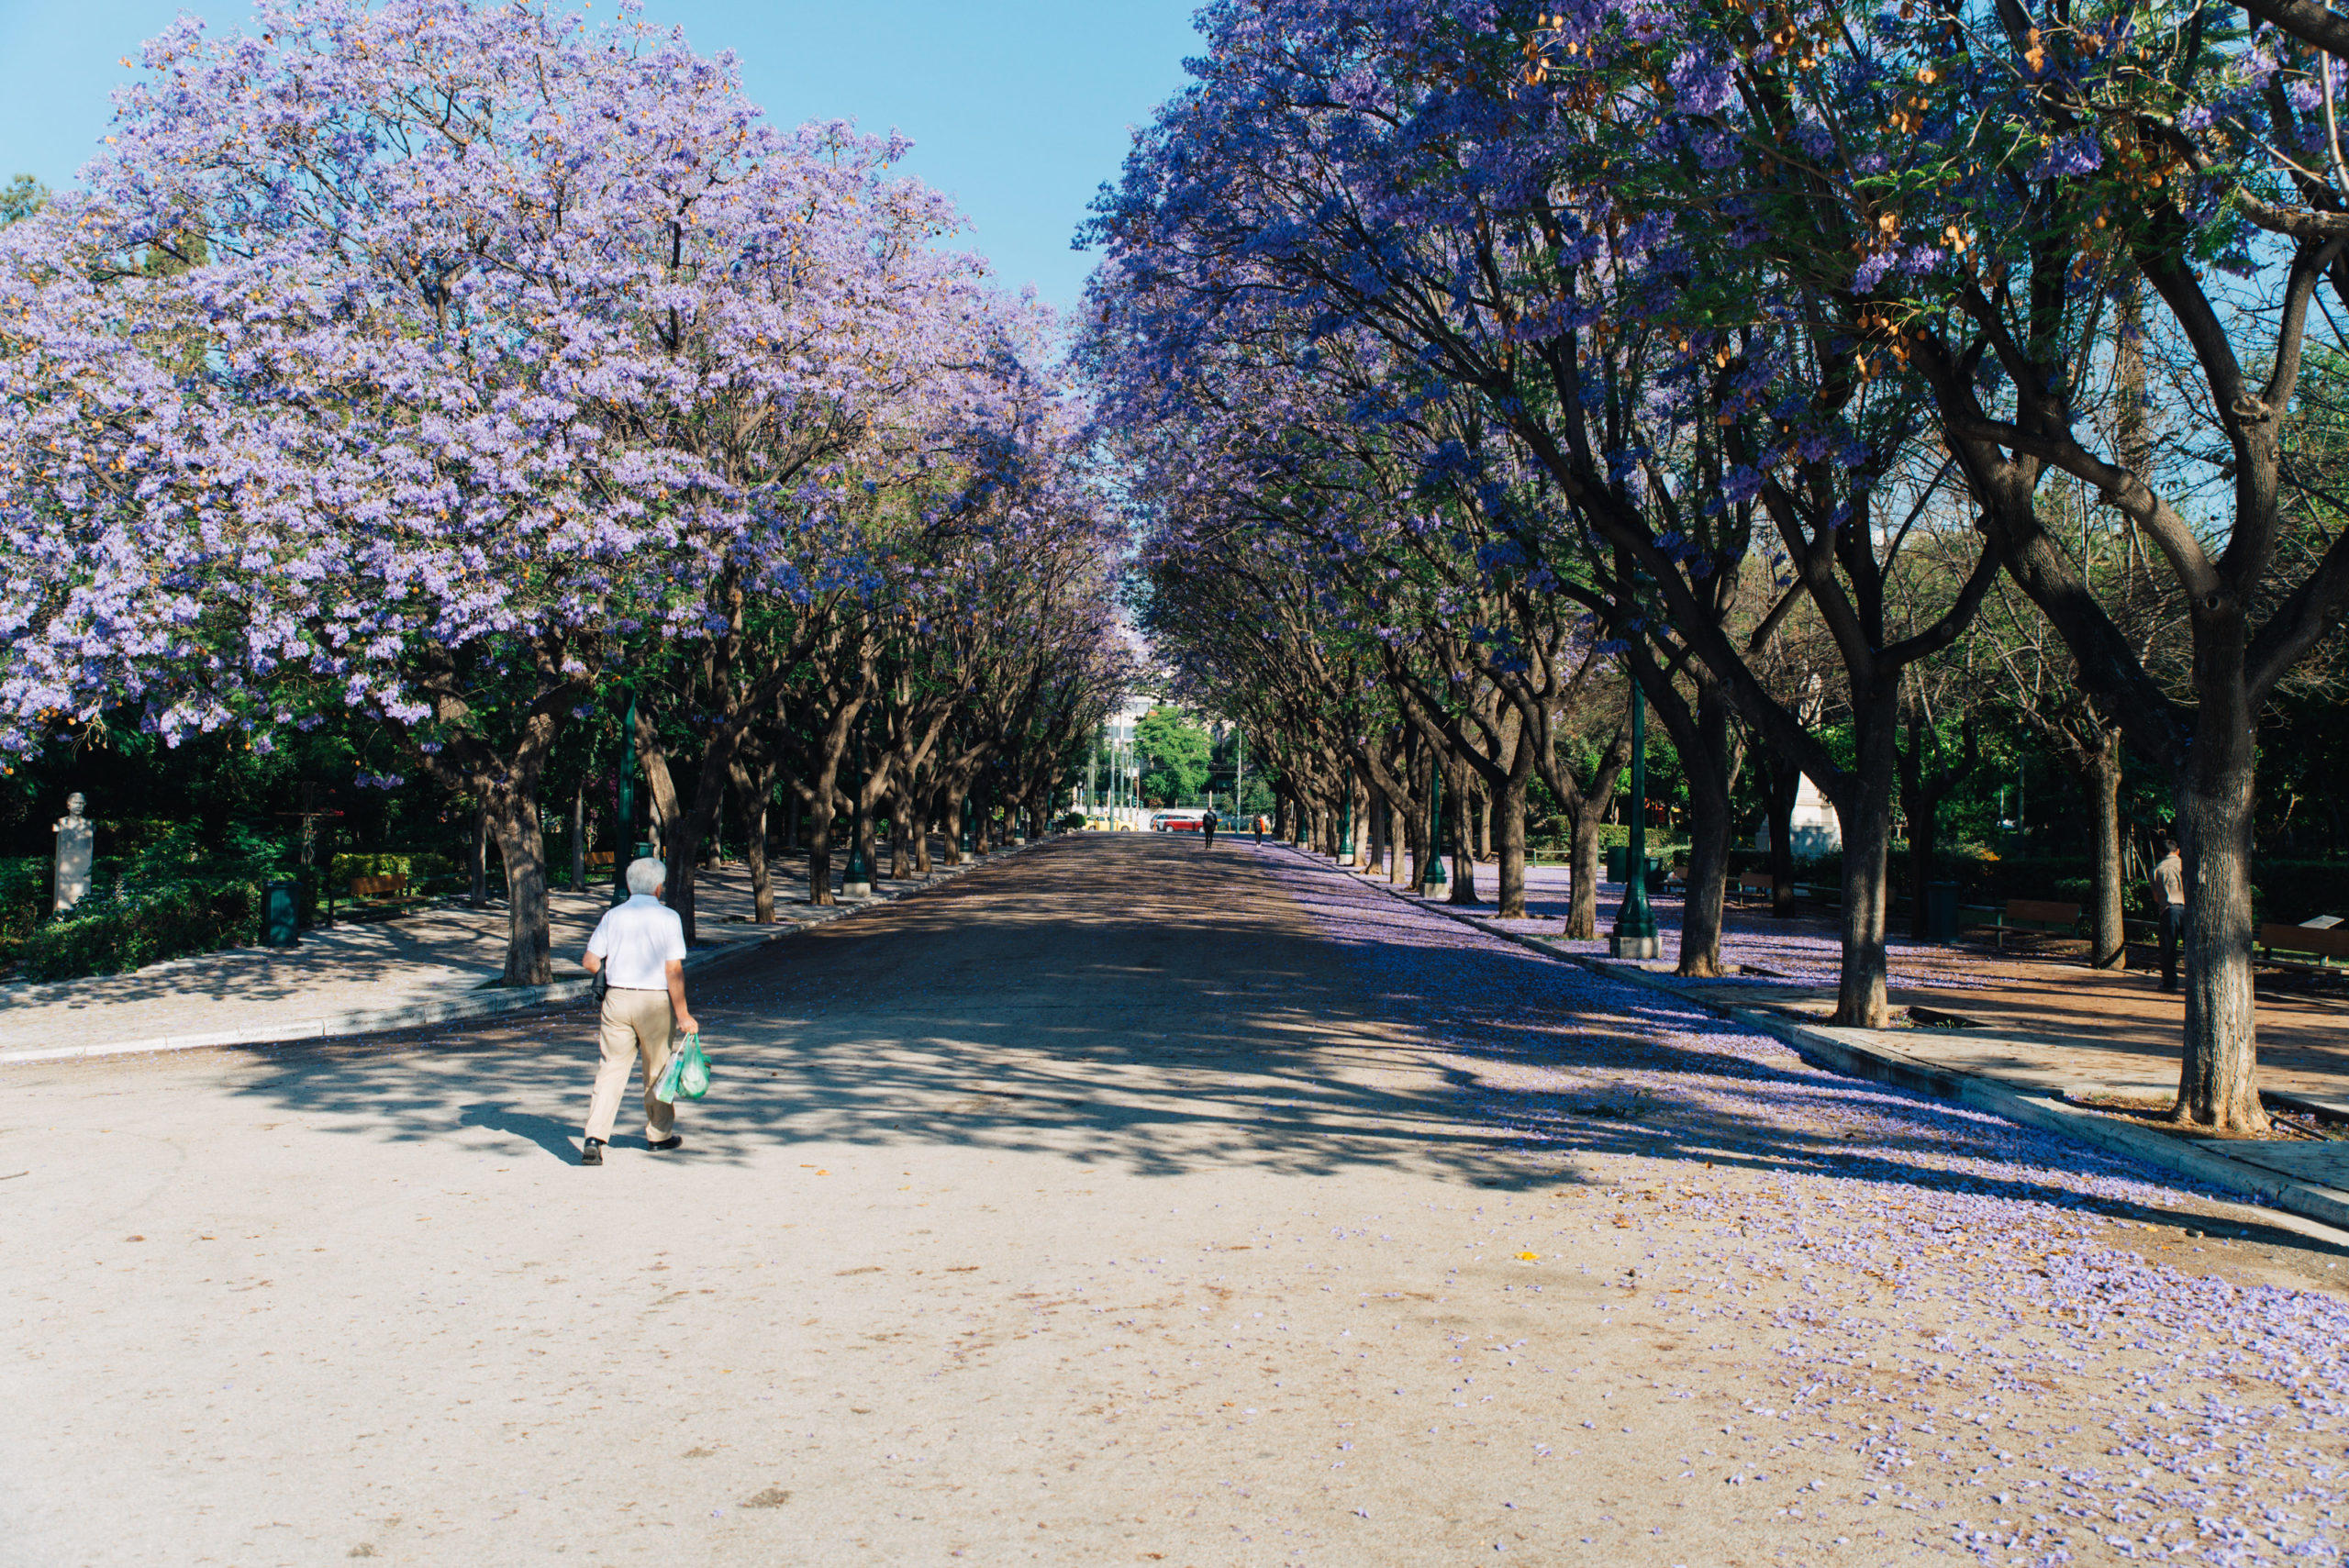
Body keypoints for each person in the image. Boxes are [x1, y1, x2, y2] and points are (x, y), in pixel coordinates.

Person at [578, 856, 698, 1165]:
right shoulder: (668, 918)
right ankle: (658, 1135)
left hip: (616, 1000)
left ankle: (594, 1137)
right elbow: (673, 970)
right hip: (653, 1002)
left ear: (629, 885)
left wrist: (609, 968)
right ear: (659, 888)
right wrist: (683, 1015)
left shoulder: (613, 916)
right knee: (657, 1070)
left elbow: (590, 962)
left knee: (611, 1068)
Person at [2151, 834, 2188, 994]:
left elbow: (2156, 897)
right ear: (2177, 851)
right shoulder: (2186, 865)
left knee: (2168, 948)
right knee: (2192, 947)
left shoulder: (2156, 870)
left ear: (2160, 853)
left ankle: (2169, 982)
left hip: (2168, 910)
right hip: (2189, 909)